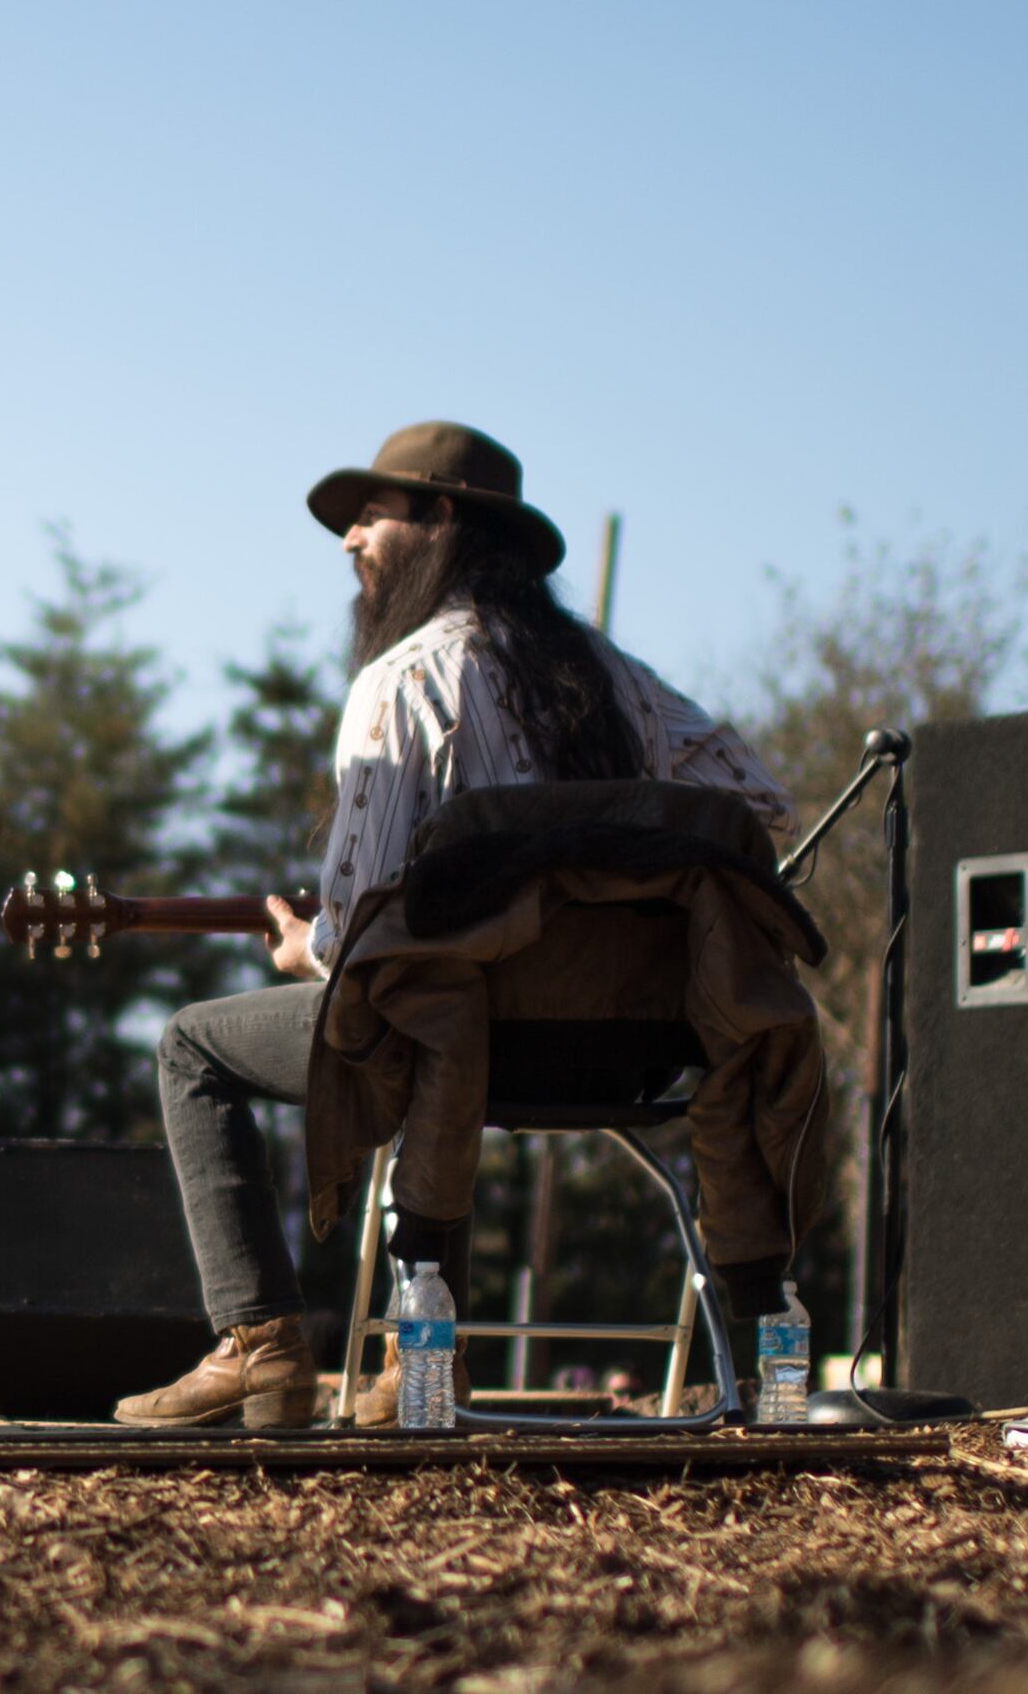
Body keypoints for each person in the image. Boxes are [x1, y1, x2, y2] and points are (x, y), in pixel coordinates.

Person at [114, 422, 792, 1430]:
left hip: (457, 1042)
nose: (349, 538)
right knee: (448, 1014)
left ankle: (259, 1346)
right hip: (632, 1047)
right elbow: (759, 807)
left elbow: (353, 934)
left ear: (440, 519)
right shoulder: (623, 683)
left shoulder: (406, 680)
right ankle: (413, 1366)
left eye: (370, 514)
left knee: (194, 1047)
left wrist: (308, 947)